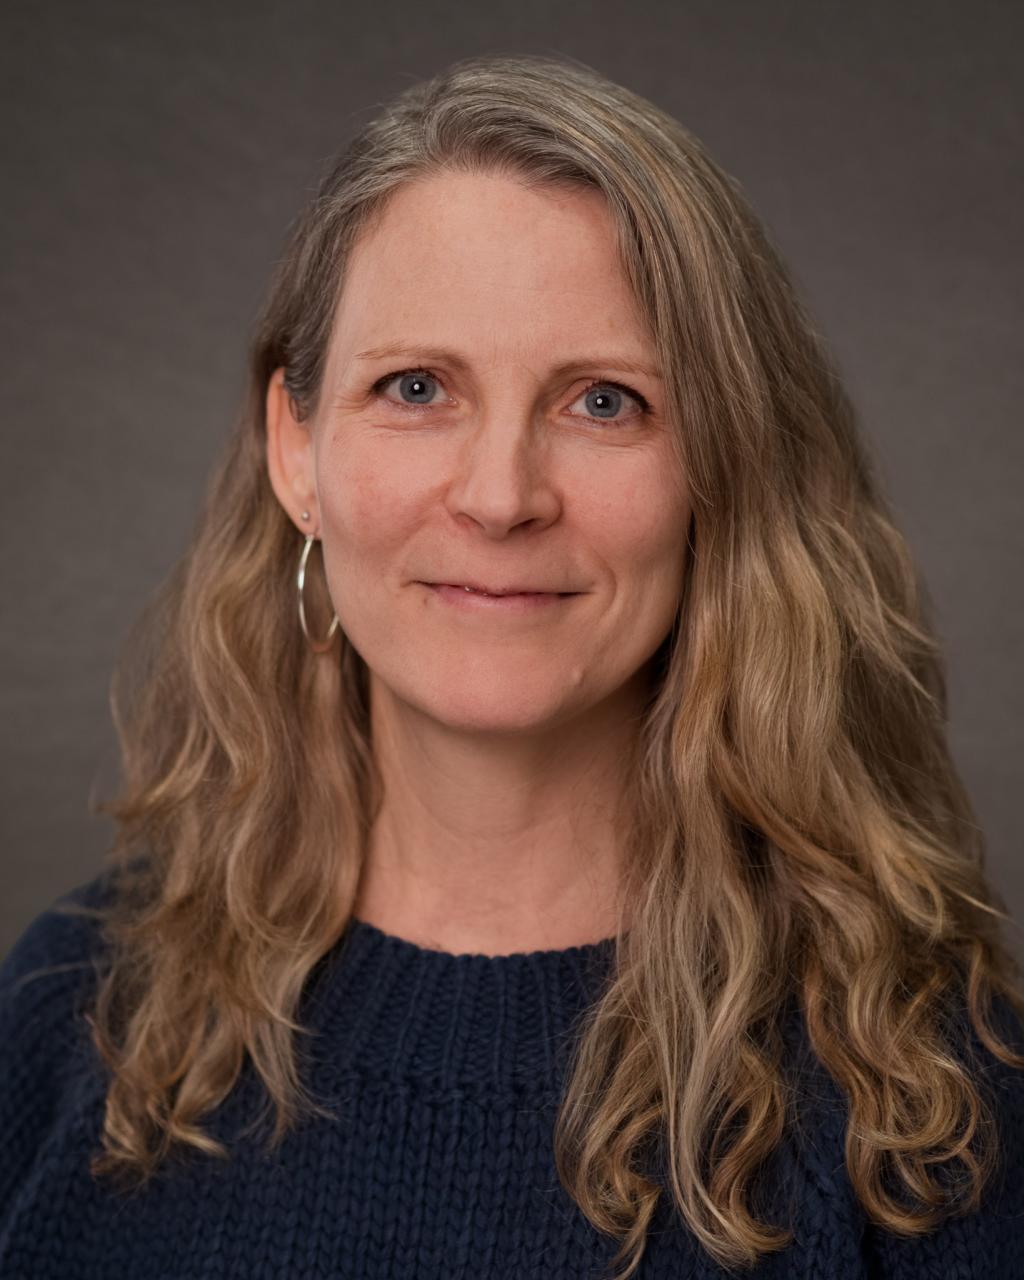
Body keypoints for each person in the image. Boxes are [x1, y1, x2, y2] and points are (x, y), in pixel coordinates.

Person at [1, 51, 1022, 1280]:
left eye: (604, 402)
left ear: (726, 468)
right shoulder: (71, 1010)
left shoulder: (933, 1092)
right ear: (297, 448)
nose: (499, 497)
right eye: (416, 386)